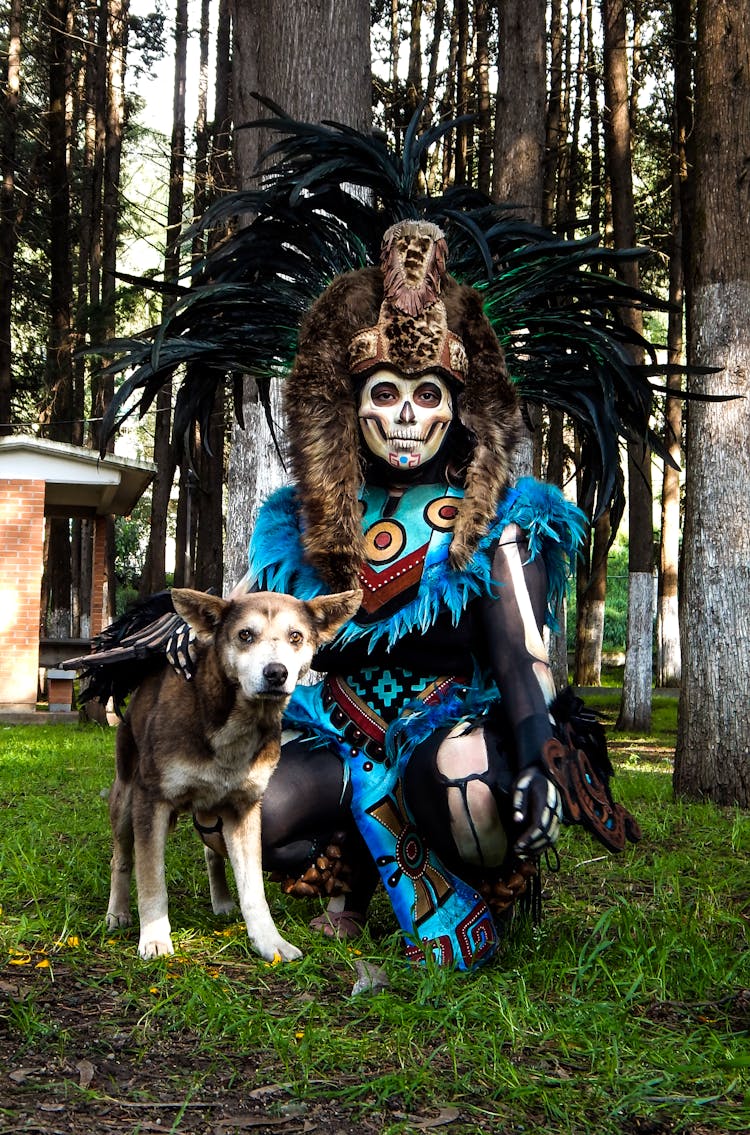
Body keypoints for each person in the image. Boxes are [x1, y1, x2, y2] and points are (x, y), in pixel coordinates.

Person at [233, 219, 639, 969]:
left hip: (445, 730)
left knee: (470, 792)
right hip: (339, 733)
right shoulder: (291, 527)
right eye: (386, 392)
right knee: (251, 809)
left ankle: (462, 883)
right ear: (348, 407)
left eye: (429, 393)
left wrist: (536, 760)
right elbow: (254, 633)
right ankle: (360, 865)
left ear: (461, 405)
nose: (408, 415)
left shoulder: (506, 518)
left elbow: (523, 665)